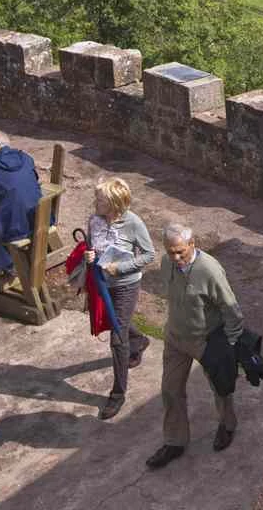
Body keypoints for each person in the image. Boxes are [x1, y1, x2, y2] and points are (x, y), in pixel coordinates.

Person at [145, 223, 244, 470]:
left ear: (192, 244)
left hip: (206, 339)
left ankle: (227, 425)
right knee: (169, 389)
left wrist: (230, 344)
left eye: (181, 251)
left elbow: (231, 309)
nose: (176, 258)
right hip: (176, 338)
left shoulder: (209, 270)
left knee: (220, 387)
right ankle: (175, 441)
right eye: (170, 252)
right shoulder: (167, 263)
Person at [85, 177, 155, 421]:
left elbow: (148, 255)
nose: (95, 202)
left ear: (114, 203)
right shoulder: (94, 219)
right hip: (102, 283)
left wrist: (121, 267)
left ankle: (118, 394)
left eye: (100, 200)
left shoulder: (133, 223)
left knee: (117, 338)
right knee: (116, 322)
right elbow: (89, 244)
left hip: (126, 285)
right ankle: (139, 339)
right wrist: (89, 255)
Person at [0, 130, 41, 273]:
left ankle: (8, 266)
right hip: (38, 219)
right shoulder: (26, 158)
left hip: (15, 228)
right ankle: (7, 262)